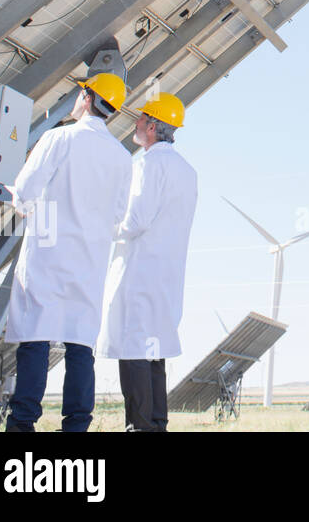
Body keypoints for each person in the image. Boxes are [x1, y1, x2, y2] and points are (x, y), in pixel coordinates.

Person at [5, 73, 132, 433]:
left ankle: (22, 424)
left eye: (80, 93)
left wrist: (21, 198)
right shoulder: (122, 158)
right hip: (89, 262)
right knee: (80, 346)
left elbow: (26, 193)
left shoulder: (58, 138)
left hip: (48, 256)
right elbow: (119, 215)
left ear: (88, 98)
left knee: (35, 337)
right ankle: (76, 427)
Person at [98, 92, 197, 432]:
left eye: (141, 119)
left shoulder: (148, 164)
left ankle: (138, 427)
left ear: (152, 126)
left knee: (134, 351)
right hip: (167, 276)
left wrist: (102, 228)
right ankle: (156, 424)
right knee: (155, 354)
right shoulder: (187, 170)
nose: (136, 123)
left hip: (140, 274)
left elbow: (135, 220)